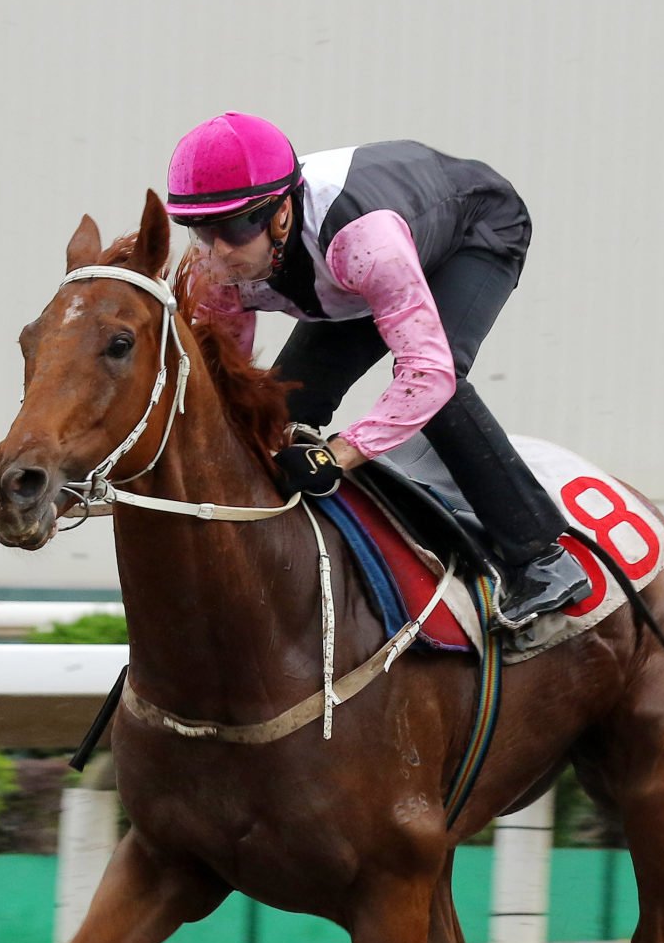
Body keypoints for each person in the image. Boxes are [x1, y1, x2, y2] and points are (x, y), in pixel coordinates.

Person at [165, 112, 591, 630]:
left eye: (233, 227)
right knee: (278, 408)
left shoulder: (363, 241)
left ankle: (541, 559)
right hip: (355, 274)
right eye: (199, 230)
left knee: (443, 390)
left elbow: (426, 376)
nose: (217, 252)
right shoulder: (214, 269)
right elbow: (226, 391)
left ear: (280, 214)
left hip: (470, 232)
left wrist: (338, 455)